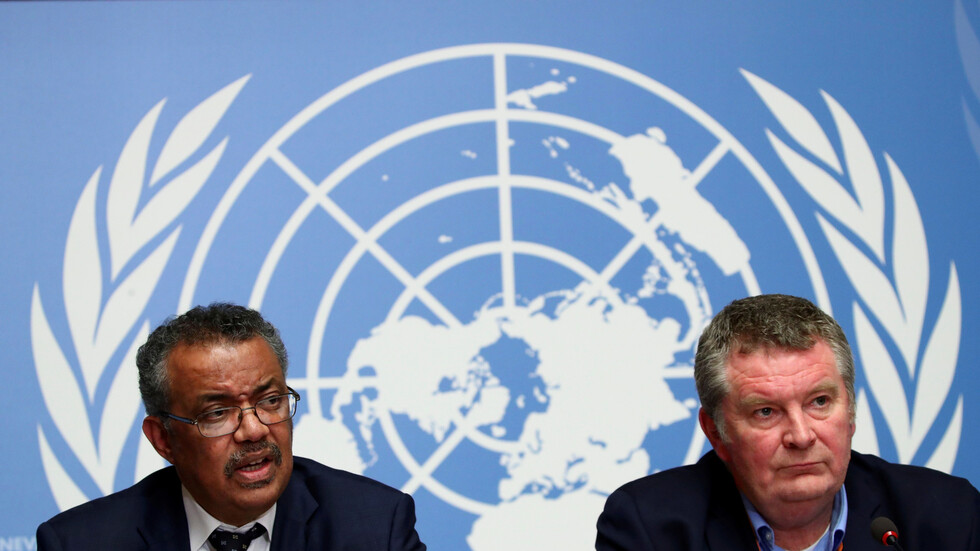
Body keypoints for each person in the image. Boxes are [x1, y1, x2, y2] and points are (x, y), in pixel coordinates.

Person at [596, 294, 979, 550]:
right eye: (766, 412)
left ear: (851, 412)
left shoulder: (946, 516)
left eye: (819, 402)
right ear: (716, 432)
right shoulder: (651, 530)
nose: (801, 435)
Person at [37, 303, 426, 551]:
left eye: (270, 401)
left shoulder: (375, 527)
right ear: (162, 438)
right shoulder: (81, 543)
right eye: (217, 413)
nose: (254, 431)